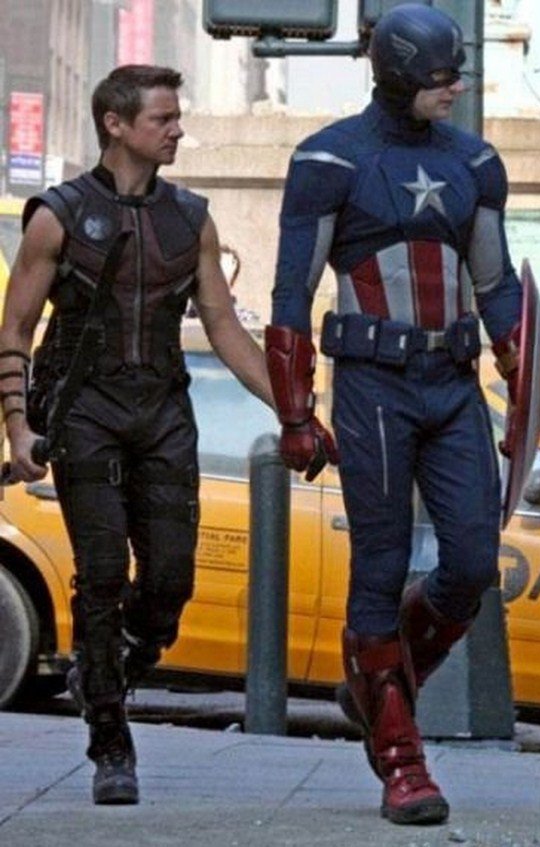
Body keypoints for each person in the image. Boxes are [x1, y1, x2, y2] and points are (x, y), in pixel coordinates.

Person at [265, 4, 523, 827]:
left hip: (452, 384)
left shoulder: (474, 161)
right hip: (372, 386)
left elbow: (494, 285)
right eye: (440, 77)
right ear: (400, 76)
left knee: (472, 562)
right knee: (377, 566)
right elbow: (291, 292)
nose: (455, 88)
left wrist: (520, 376)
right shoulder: (329, 159)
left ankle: (379, 679)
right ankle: (401, 758)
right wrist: (296, 411)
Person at [0, 65, 272, 806]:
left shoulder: (192, 219)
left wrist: (293, 408)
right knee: (98, 575)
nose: (177, 129)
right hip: (85, 412)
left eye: (177, 117)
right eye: (163, 119)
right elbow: (16, 330)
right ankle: (110, 743)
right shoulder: (57, 216)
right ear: (116, 125)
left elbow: (225, 328)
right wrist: (19, 428)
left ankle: (112, 664)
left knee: (171, 580)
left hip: (163, 412)